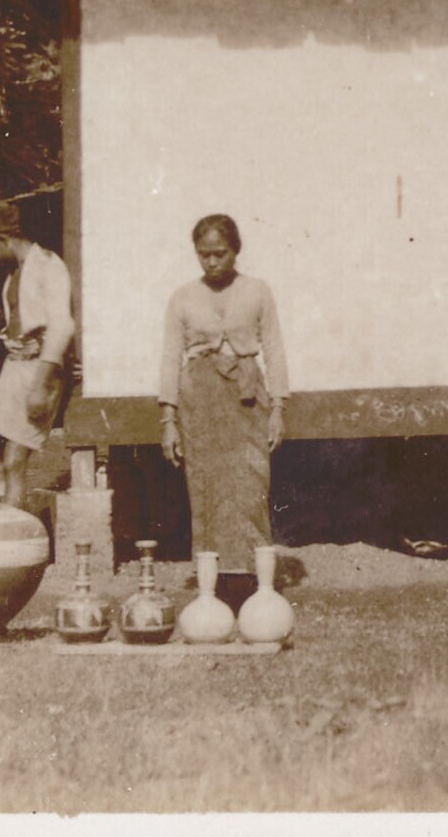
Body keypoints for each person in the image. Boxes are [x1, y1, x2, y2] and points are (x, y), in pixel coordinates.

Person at [159, 213, 288, 610]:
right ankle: (211, 589)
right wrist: (168, 420)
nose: (212, 262)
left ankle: (255, 586)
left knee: (250, 486)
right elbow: (170, 358)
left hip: (248, 398)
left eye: (220, 253)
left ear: (236, 250)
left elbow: (274, 349)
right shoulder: (183, 297)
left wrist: (278, 409)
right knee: (207, 490)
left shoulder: (257, 291)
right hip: (200, 402)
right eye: (204, 254)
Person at [0, 200, 75, 510]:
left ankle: (14, 528)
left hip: (39, 370)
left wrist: (41, 386)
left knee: (14, 460)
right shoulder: (15, 273)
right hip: (14, 369)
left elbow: (62, 328)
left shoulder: (48, 265)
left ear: (3, 239)